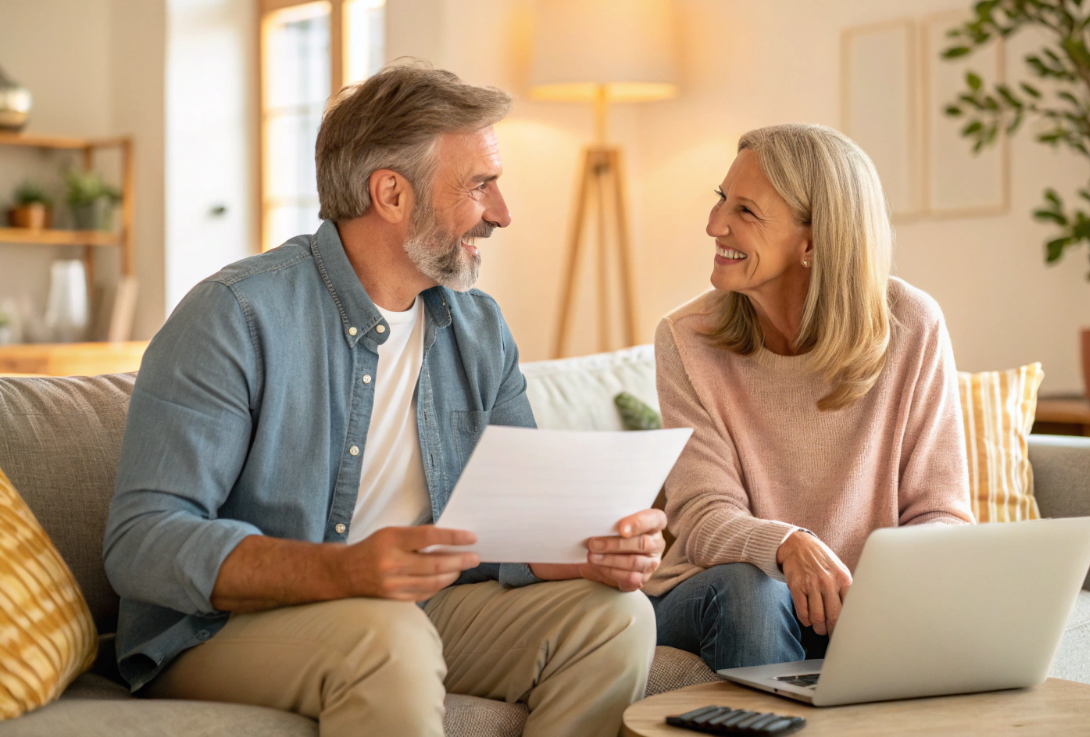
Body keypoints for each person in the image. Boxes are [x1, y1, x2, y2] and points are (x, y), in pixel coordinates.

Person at [103, 62, 666, 737]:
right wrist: (343, 571)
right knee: (387, 635)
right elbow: (143, 543)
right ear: (392, 194)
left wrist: (573, 549)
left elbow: (508, 525)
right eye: (480, 185)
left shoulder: (478, 329)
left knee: (616, 618)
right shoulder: (235, 315)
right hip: (223, 629)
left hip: (410, 609)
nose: (502, 213)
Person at [643, 123, 974, 672]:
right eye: (722, 199)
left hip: (859, 604)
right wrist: (786, 545)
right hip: (719, 593)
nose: (714, 223)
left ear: (815, 239)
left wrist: (876, 593)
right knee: (756, 592)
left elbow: (942, 514)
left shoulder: (911, 325)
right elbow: (703, 515)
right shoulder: (687, 338)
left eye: (745, 211)